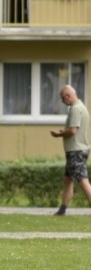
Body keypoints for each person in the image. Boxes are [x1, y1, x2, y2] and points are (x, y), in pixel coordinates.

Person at [50, 85, 91, 215]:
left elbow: (73, 130)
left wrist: (59, 134)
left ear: (67, 96)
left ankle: (62, 210)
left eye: (62, 99)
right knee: (68, 180)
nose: (63, 102)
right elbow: (74, 129)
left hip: (76, 151)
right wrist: (64, 132)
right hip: (76, 150)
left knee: (83, 181)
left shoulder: (75, 108)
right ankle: (62, 210)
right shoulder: (81, 107)